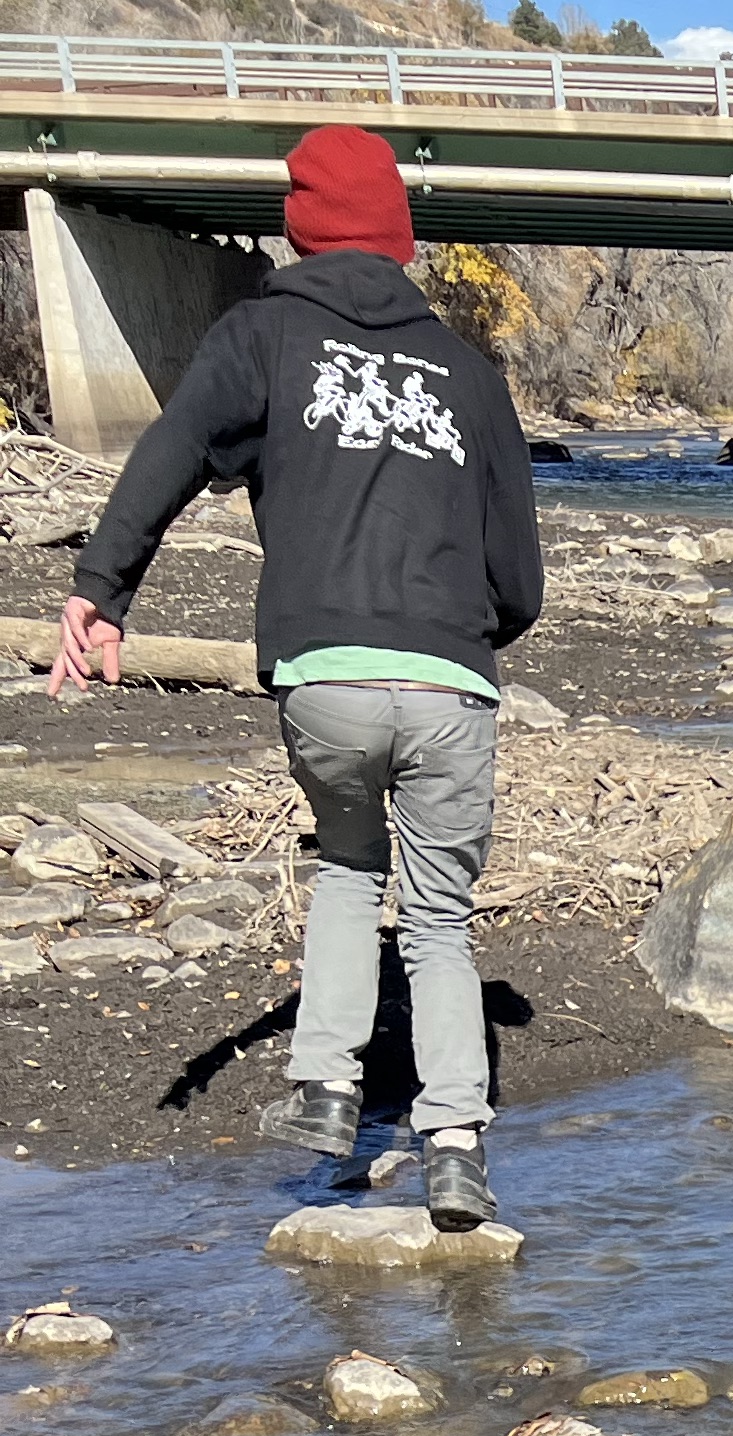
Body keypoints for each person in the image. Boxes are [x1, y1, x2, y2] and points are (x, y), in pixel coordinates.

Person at [57, 125, 544, 1227]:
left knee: (345, 868)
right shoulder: (469, 374)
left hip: (324, 674)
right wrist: (476, 634)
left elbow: (173, 450)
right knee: (437, 920)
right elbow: (520, 577)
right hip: (450, 682)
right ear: (402, 238)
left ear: (300, 226)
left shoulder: (262, 337)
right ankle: (456, 1141)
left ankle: (326, 1086)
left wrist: (102, 590)